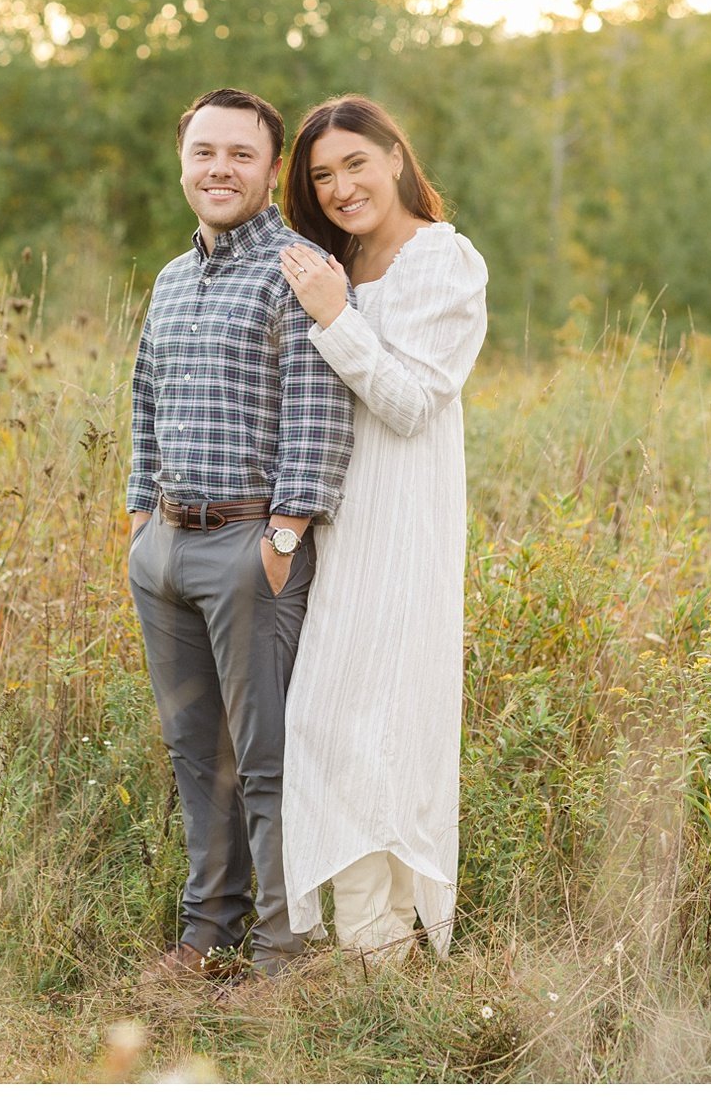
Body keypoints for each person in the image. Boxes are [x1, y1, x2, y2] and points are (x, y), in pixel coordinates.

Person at [125, 87, 355, 981]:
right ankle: (204, 935)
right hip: (167, 548)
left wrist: (287, 531)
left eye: (241, 155)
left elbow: (316, 410)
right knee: (194, 752)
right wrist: (141, 513)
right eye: (204, 153)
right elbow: (144, 398)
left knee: (265, 759)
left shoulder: (297, 267)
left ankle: (280, 953)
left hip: (252, 546)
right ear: (183, 162)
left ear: (268, 170)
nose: (220, 169)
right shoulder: (172, 277)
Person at [276, 96, 488, 962]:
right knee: (332, 730)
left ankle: (384, 956)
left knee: (385, 731)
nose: (339, 186)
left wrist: (336, 316)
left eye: (355, 163)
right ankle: (370, 949)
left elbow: (408, 403)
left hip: (402, 535)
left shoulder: (444, 261)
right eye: (322, 175)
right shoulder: (329, 262)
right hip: (327, 528)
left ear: (396, 156)